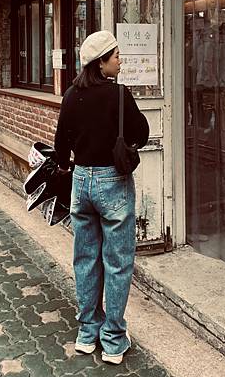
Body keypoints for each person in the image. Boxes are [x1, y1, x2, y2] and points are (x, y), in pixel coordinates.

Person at [54, 30, 149, 365]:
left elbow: (60, 145)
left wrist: (71, 164)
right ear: (101, 62)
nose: (120, 61)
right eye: (116, 56)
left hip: (81, 181)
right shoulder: (119, 95)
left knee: (85, 258)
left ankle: (86, 333)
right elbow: (141, 133)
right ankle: (112, 339)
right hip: (113, 182)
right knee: (117, 262)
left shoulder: (71, 95)